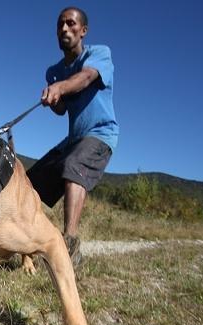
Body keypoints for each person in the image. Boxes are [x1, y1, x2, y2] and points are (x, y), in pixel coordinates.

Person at [26, 6, 119, 266]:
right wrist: (52, 98)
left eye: (71, 23)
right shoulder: (53, 71)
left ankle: (69, 245)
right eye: (60, 25)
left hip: (101, 134)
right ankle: (27, 243)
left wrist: (60, 87)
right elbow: (61, 110)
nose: (64, 29)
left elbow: (86, 78)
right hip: (74, 139)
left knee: (73, 165)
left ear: (83, 31)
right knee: (29, 183)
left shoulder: (100, 54)